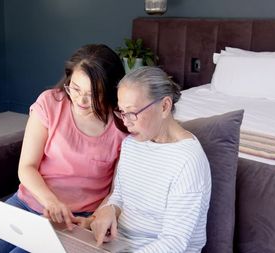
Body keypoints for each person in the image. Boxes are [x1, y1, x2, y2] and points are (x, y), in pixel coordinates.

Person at [0, 44, 128, 253]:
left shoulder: (121, 128)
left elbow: (117, 192)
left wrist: (93, 220)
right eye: (75, 89)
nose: (81, 100)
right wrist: (51, 202)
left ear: (110, 91)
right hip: (27, 203)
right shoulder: (50, 103)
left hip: (76, 220)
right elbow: (27, 167)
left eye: (93, 94)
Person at [90, 66, 212, 252]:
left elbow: (174, 243)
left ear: (164, 106)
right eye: (122, 112)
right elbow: (121, 195)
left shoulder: (188, 161)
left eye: (132, 112)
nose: (126, 122)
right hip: (116, 246)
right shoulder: (132, 143)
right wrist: (109, 209)